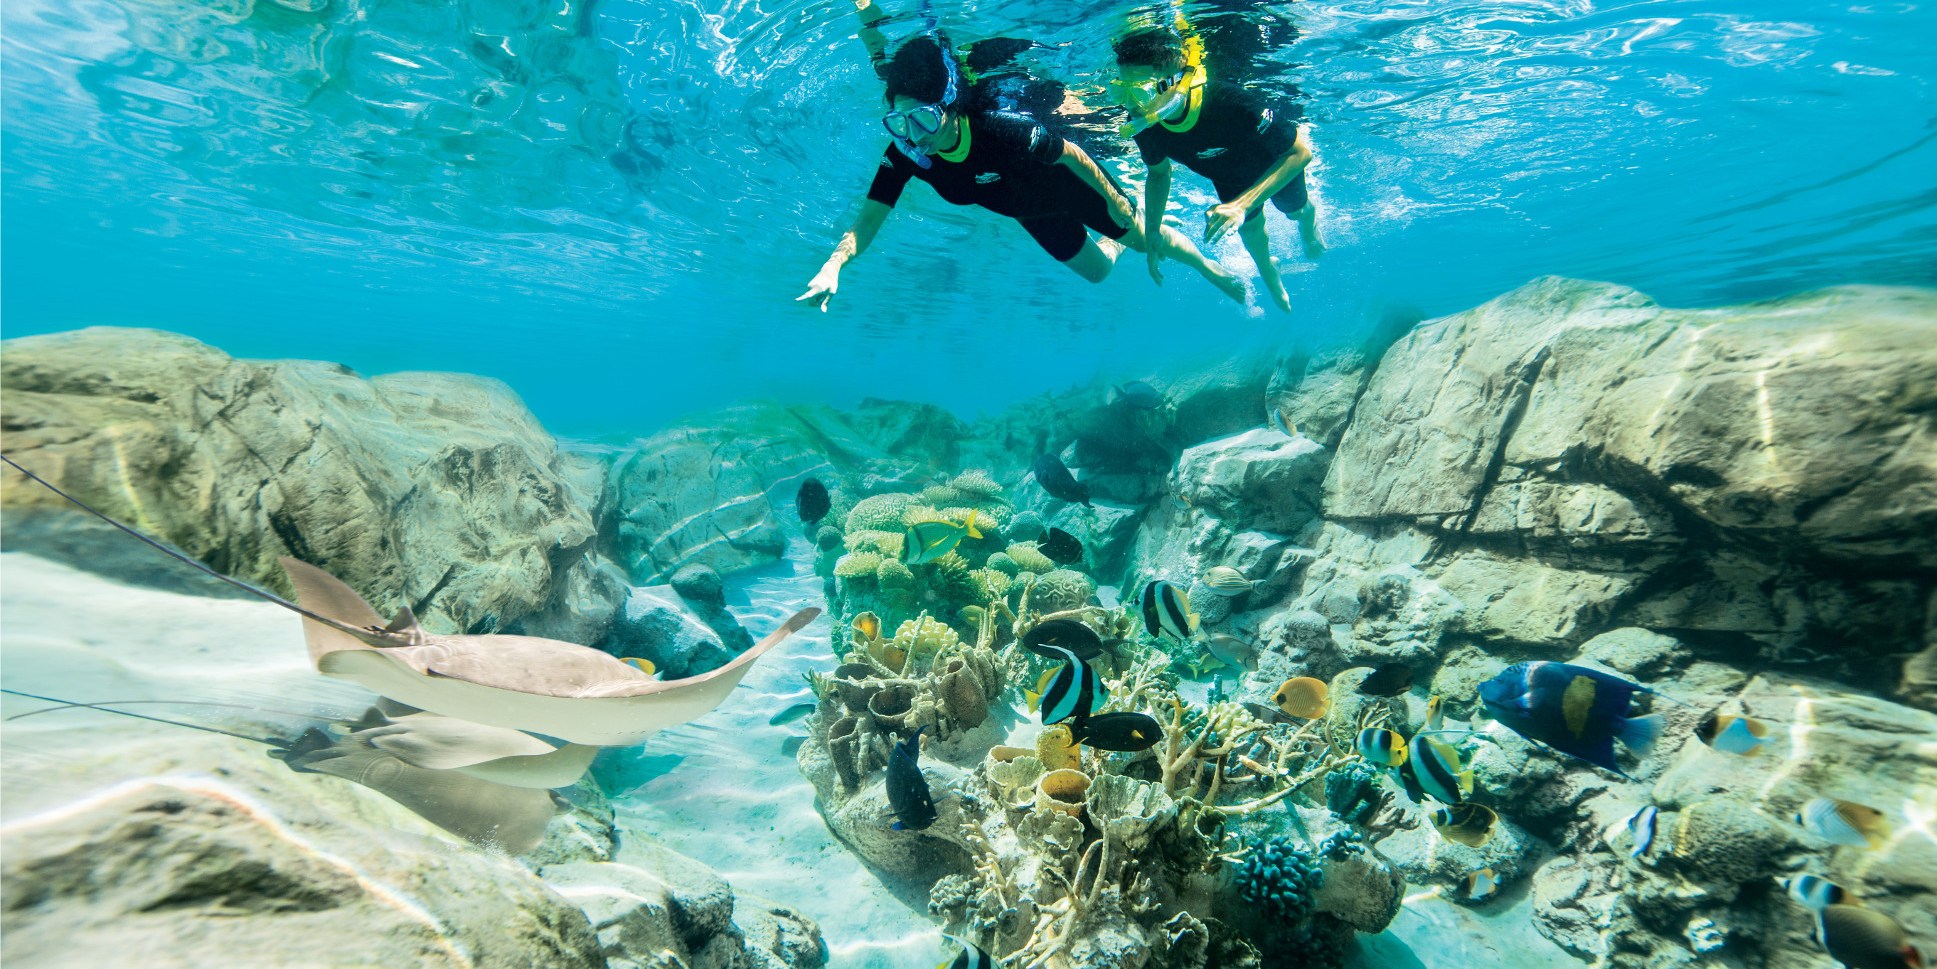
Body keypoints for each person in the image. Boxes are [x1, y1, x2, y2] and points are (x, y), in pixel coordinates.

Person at [797, 35, 1246, 311]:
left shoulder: (1001, 129)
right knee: (1098, 274)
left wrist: (1116, 201)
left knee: (1145, 240)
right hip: (1032, 214)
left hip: (1070, 188)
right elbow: (868, 220)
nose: (914, 135)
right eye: (900, 123)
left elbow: (1072, 154)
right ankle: (1119, 232)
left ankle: (1206, 266)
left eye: (925, 121)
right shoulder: (907, 155)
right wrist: (834, 264)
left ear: (950, 110)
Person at [1113, 26, 1324, 313]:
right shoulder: (1145, 124)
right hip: (1227, 177)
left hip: (1271, 167)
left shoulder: (1229, 102)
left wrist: (1241, 205)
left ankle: (1308, 221)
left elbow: (1300, 152)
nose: (1132, 105)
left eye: (1140, 91)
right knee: (1251, 234)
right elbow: (1159, 173)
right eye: (1122, 91)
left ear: (1174, 81)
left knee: (1295, 210)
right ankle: (1270, 275)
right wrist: (1152, 234)